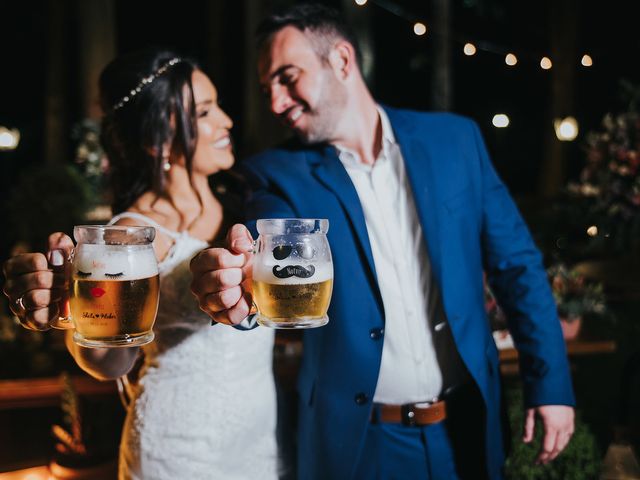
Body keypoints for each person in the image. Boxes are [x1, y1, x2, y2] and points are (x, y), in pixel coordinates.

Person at [189, 3, 575, 479]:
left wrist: (551, 384)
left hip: (468, 426)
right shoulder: (273, 176)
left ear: (343, 61)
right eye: (268, 87)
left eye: (288, 77)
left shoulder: (455, 140)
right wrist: (241, 294)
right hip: (360, 444)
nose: (276, 102)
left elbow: (517, 266)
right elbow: (266, 251)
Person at [2, 49, 278, 480]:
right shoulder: (127, 237)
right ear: (157, 140)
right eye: (204, 112)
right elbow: (111, 362)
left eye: (217, 105)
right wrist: (72, 309)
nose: (227, 121)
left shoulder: (240, 206)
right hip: (178, 450)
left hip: (259, 440)